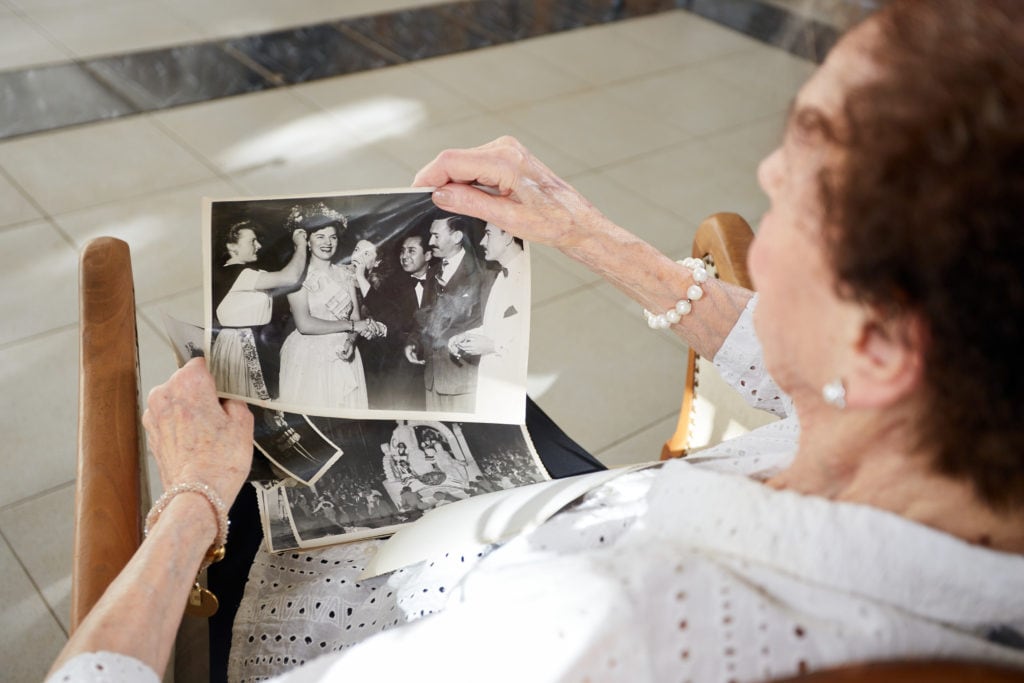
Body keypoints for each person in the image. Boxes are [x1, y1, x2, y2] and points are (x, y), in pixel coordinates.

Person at [49, 2, 1024, 682]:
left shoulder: (612, 632)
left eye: (805, 173)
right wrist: (587, 231)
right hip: (574, 515)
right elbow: (802, 368)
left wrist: (188, 501)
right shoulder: (965, 442)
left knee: (242, 418)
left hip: (381, 606)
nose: (766, 169)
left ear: (886, 343)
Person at [277, 203, 372, 410]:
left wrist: (351, 342)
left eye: (333, 237)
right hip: (310, 357)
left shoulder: (346, 274)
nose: (328, 243)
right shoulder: (297, 276)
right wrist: (353, 328)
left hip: (344, 353)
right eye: (320, 236)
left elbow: (356, 316)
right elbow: (305, 324)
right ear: (308, 242)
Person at [209, 219, 307, 399]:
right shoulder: (237, 273)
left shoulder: (242, 273)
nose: (259, 245)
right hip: (242, 345)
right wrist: (301, 245)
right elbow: (291, 277)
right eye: (252, 241)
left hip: (247, 341)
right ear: (232, 247)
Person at [406, 214, 494, 413]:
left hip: (462, 381)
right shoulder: (432, 272)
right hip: (432, 380)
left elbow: (486, 323)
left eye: (436, 236)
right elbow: (423, 317)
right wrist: (414, 342)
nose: (430, 242)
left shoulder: (483, 272)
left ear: (456, 237)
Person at [448, 224, 528, 420]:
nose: (482, 241)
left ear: (508, 235)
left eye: (488, 234)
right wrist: (466, 336)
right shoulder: (501, 276)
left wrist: (493, 346)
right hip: (492, 378)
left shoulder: (528, 276)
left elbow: (533, 336)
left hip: (514, 383)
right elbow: (496, 324)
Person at [361, 230, 433, 410]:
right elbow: (386, 316)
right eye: (402, 251)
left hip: (437, 367)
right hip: (403, 369)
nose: (404, 256)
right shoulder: (392, 285)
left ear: (428, 254)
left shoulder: (442, 279)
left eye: (411, 251)